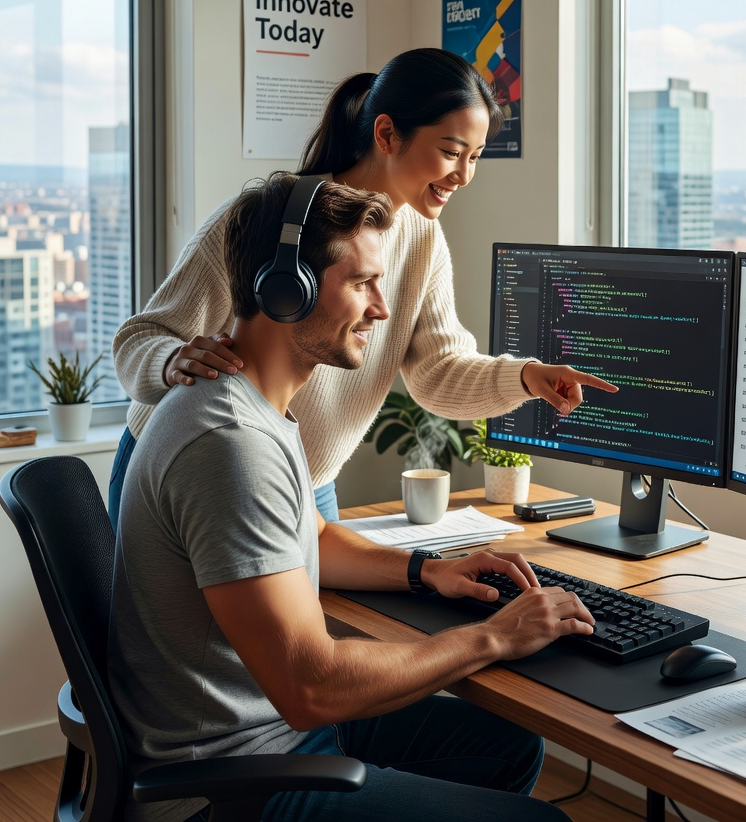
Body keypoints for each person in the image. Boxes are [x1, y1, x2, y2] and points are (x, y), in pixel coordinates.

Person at [108, 173, 592, 822]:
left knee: (505, 749)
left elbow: (311, 534)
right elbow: (312, 684)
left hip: (274, 732)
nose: (382, 309)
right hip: (229, 784)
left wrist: (429, 571)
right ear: (287, 290)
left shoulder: (254, 407)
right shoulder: (227, 442)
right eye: (362, 282)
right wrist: (493, 638)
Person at [110, 47, 617, 527]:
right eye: (451, 151)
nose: (464, 176)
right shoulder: (279, 222)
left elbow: (437, 372)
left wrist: (526, 377)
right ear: (387, 134)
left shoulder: (422, 238)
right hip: (196, 468)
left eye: (476, 157)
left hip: (310, 480)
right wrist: (171, 361)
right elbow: (142, 339)